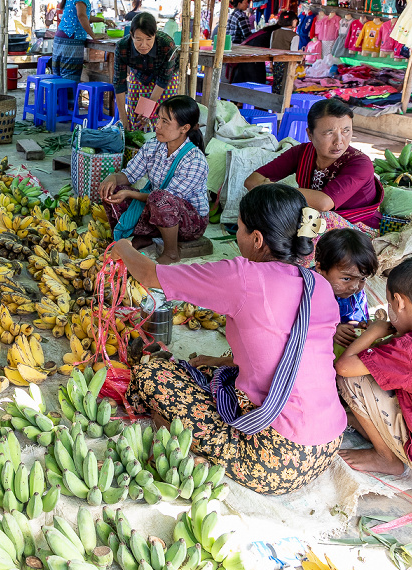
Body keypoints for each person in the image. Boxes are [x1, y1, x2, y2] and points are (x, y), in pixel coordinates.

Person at [112, 183, 345, 494]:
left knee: (152, 373)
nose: (237, 237)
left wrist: (123, 247)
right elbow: (287, 349)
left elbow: (151, 276)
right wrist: (219, 361)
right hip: (326, 445)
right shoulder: (319, 284)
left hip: (274, 460)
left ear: (258, 239)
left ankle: (187, 452)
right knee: (211, 371)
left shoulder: (244, 276)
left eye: (240, 229)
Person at [245, 99, 383, 252]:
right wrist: (270, 190)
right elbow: (252, 180)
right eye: (329, 133)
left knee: (320, 219)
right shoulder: (302, 152)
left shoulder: (360, 163)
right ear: (310, 134)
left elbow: (324, 203)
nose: (339, 141)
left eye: (346, 131)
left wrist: (274, 189)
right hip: (311, 223)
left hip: (358, 231)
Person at [336, 257, 412, 476]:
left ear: (399, 302)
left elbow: (344, 367)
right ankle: (367, 425)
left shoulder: (410, 348)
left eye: (388, 302)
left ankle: (386, 458)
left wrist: (375, 332)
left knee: (352, 379)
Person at [99, 96, 209, 264]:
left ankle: (171, 252)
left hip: (189, 222)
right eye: (159, 119)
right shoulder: (153, 146)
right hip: (158, 208)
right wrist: (112, 177)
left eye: (165, 122)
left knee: (160, 199)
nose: (157, 126)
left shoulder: (194, 160)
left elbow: (166, 197)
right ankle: (143, 237)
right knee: (112, 190)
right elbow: (129, 175)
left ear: (184, 128)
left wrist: (130, 194)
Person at [113, 12, 179, 131]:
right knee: (135, 115)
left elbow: (164, 79)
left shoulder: (166, 44)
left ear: (155, 34)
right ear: (131, 35)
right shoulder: (122, 46)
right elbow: (119, 83)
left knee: (162, 115)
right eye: (138, 39)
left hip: (165, 77)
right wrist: (123, 118)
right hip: (138, 73)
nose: (144, 45)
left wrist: (149, 108)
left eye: (149, 39)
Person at [314, 228, 379, 349]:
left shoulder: (357, 295)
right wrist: (331, 330)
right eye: (346, 279)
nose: (354, 287)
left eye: (362, 279)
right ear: (320, 268)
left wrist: (361, 326)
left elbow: (355, 318)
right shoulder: (306, 290)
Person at [53, 0, 115, 82]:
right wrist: (93, 35)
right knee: (69, 82)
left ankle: (58, 100)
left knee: (59, 82)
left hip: (61, 39)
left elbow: (83, 15)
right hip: (71, 40)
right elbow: (82, 16)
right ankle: (69, 101)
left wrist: (102, 20)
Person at [271, 10, 300, 94]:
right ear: (294, 21)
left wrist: (271, 63)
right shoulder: (294, 36)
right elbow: (293, 54)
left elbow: (270, 48)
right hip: (287, 64)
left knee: (276, 83)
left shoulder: (274, 33)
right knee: (285, 85)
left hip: (275, 62)